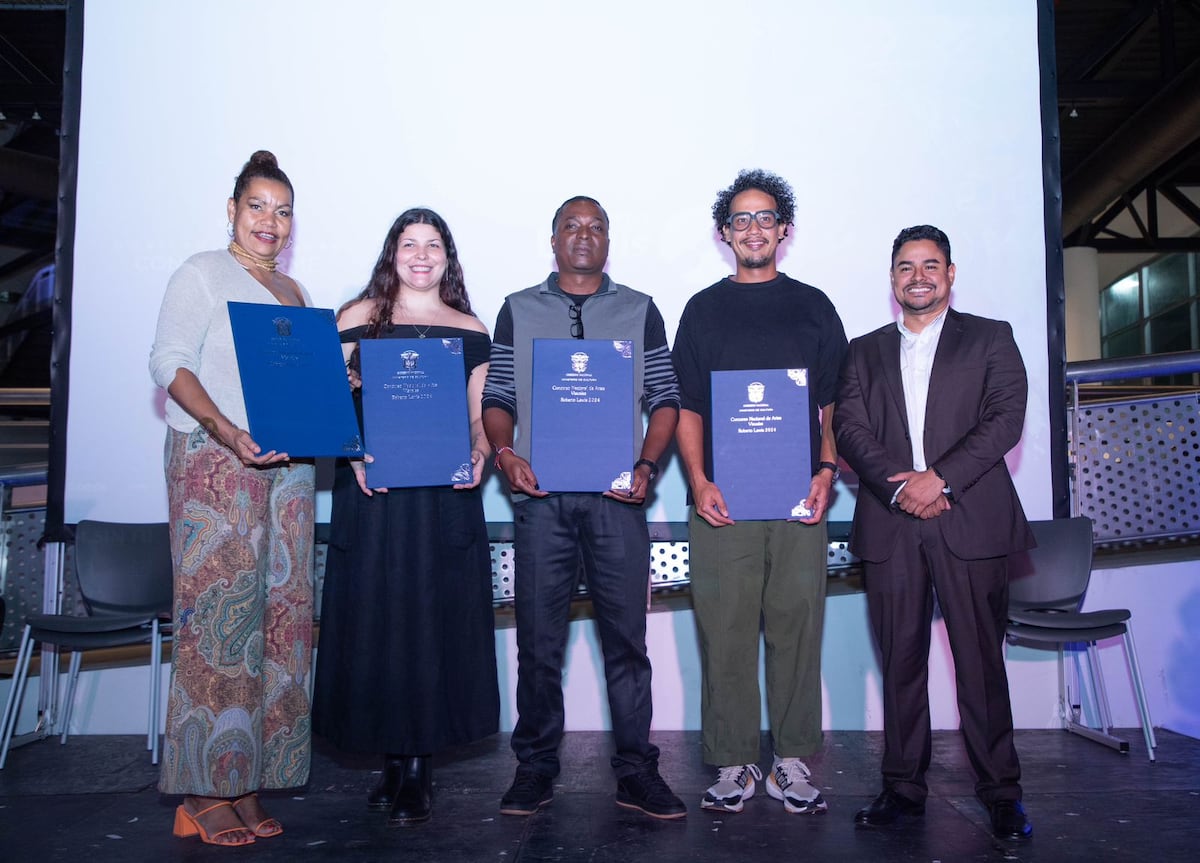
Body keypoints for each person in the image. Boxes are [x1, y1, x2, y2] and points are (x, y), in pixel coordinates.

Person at [482, 195, 686, 820]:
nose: (583, 235)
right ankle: (535, 768)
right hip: (541, 500)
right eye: (571, 225)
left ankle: (636, 771)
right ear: (553, 240)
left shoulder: (640, 309)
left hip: (616, 501)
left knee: (627, 644)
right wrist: (504, 454)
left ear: (608, 242)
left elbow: (666, 399)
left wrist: (647, 467)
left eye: (596, 227)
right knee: (539, 644)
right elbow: (498, 396)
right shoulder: (518, 309)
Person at [834, 225, 1035, 842]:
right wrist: (901, 488)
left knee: (980, 663)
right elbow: (849, 428)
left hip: (968, 518)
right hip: (891, 522)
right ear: (892, 278)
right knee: (900, 664)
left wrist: (939, 479)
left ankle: (1001, 792)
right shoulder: (862, 350)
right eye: (905, 266)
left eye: (929, 265)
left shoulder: (991, 337)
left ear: (950, 274)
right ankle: (902, 788)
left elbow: (1006, 417)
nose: (917, 276)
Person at [311, 208, 499, 826]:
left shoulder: (470, 329)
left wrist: (481, 451)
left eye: (433, 245)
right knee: (374, 624)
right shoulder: (354, 318)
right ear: (392, 253)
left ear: (449, 258)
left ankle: (417, 766)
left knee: (432, 624)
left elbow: (480, 417)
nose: (422, 255)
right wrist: (350, 454)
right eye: (410, 244)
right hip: (373, 495)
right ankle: (390, 759)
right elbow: (328, 405)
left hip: (443, 500)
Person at [149, 150, 314, 847]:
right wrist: (225, 428)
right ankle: (201, 791)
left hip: (289, 470)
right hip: (216, 462)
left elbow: (298, 383)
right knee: (218, 624)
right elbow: (169, 362)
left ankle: (246, 781)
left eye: (282, 210)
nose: (270, 220)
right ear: (232, 210)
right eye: (257, 206)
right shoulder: (201, 273)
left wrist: (337, 390)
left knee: (281, 627)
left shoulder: (295, 292)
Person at [672, 169, 847, 816]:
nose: (753, 228)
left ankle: (792, 761)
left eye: (765, 217)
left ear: (783, 229)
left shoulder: (813, 306)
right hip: (724, 502)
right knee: (725, 630)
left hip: (800, 499)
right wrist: (698, 481)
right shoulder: (702, 310)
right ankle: (734, 761)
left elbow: (834, 404)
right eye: (740, 219)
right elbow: (688, 406)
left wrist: (826, 471)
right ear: (725, 233)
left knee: (798, 628)